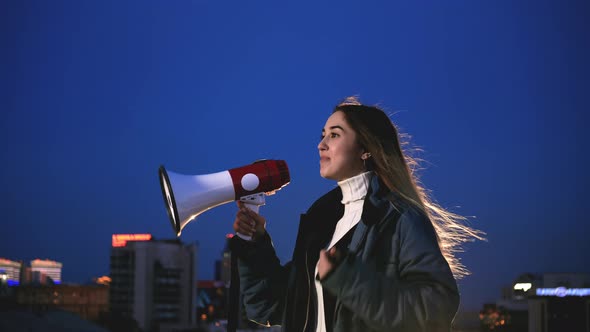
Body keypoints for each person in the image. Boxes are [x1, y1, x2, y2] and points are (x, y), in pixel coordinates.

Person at [230, 97, 484, 332]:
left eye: (334, 135)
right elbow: (268, 307)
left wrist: (349, 281)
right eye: (322, 135)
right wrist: (255, 245)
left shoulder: (400, 219)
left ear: (365, 149)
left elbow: (436, 310)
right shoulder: (320, 221)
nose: (321, 144)